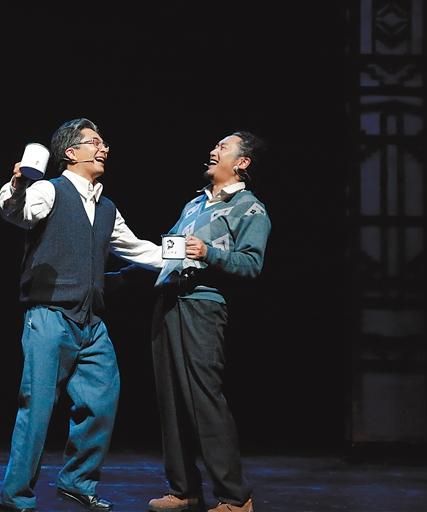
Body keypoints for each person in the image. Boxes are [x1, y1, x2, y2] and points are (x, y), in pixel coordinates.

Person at [0, 118, 163, 512]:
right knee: (37, 408)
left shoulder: (107, 207)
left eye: (104, 143)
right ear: (71, 153)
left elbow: (139, 249)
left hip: (90, 322)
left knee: (102, 400)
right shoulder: (49, 190)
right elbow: (19, 213)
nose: (104, 149)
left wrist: (186, 256)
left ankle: (77, 481)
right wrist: (18, 185)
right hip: (50, 315)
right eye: (95, 142)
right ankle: (16, 497)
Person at [145, 131, 271, 512]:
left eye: (223, 147)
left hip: (203, 305)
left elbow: (251, 264)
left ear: (242, 162)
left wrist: (209, 253)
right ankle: (184, 489)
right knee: (171, 399)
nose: (213, 151)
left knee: (204, 399)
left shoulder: (250, 208)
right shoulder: (194, 204)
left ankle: (235, 497)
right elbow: (169, 252)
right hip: (169, 301)